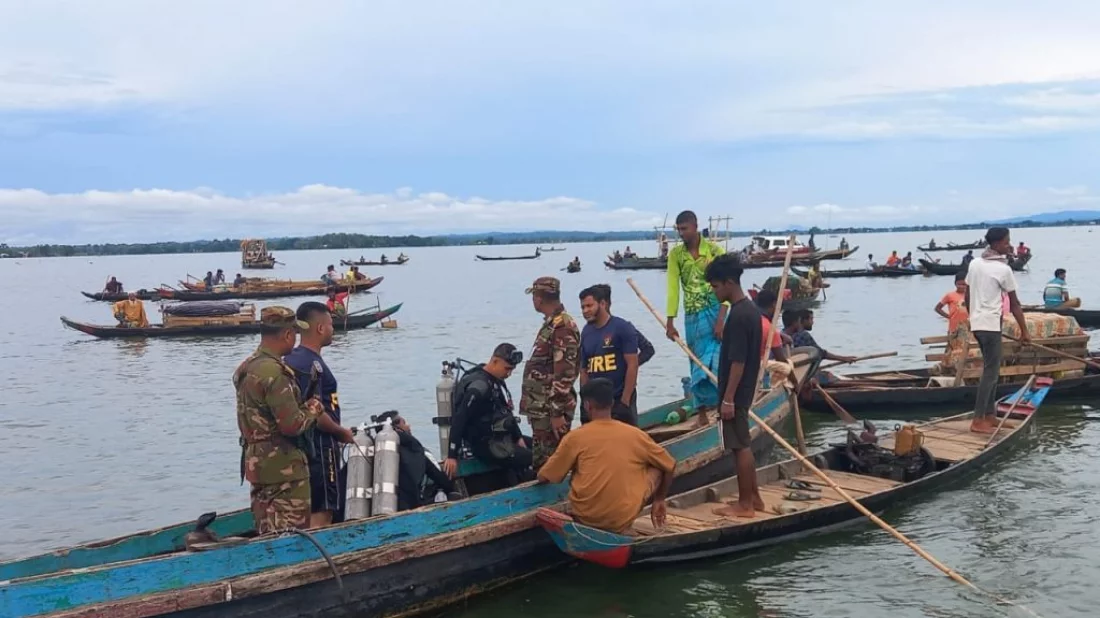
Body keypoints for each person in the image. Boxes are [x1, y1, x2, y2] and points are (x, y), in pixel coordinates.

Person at [537, 378, 675, 533]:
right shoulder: (635, 434)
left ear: (587, 406)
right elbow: (670, 465)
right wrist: (659, 499)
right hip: (621, 519)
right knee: (657, 467)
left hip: (585, 518)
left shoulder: (574, 438)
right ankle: (626, 521)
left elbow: (544, 477)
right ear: (612, 404)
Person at [233, 306, 326, 533]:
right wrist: (313, 408)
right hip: (284, 469)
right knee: (290, 538)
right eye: (294, 333)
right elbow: (292, 425)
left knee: (267, 532)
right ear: (286, 335)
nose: (295, 338)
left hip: (257, 464)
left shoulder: (247, 367)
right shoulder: (276, 374)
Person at [284, 302, 357, 528]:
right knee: (322, 510)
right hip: (321, 447)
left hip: (300, 448)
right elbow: (314, 409)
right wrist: (339, 432)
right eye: (331, 324)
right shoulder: (311, 364)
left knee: (306, 508)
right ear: (320, 329)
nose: (333, 329)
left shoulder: (291, 360)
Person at [702, 255, 763, 518]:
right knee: (742, 441)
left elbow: (737, 362)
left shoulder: (739, 316)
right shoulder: (750, 310)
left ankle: (745, 504)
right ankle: (756, 498)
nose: (714, 292)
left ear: (728, 283)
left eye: (715, 287)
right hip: (744, 389)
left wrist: (728, 399)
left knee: (740, 445)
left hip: (736, 392)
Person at [965, 227, 1030, 435]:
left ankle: (990, 415)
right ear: (997, 244)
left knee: (992, 369)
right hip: (990, 325)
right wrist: (1025, 332)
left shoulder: (975, 263)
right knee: (990, 373)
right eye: (1006, 242)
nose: (1009, 245)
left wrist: (972, 316)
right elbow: (1015, 304)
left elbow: (967, 296)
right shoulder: (1004, 270)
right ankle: (977, 420)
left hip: (978, 323)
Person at [666, 210, 726, 423]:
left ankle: (722, 406)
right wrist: (670, 320)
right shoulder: (676, 255)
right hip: (693, 316)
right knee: (697, 363)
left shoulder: (713, 250)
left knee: (719, 360)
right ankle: (701, 412)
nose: (682, 233)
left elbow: (728, 285)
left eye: (685, 229)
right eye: (679, 229)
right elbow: (673, 288)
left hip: (715, 310)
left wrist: (721, 318)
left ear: (695, 226)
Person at [445, 343, 533, 485]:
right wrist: (452, 455)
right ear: (495, 361)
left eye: (512, 370)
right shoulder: (479, 387)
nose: (509, 374)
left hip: (501, 437)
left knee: (541, 447)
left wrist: (518, 437)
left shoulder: (495, 381)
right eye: (507, 369)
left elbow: (506, 412)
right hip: (485, 445)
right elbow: (459, 419)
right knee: (533, 457)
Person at [521, 277, 580, 470]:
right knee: (542, 460)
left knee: (550, 463)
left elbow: (565, 373)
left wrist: (556, 412)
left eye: (534, 296)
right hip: (541, 407)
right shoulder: (552, 324)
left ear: (539, 298)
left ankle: (557, 498)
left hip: (550, 410)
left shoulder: (562, 326)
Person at [578, 285, 640, 425]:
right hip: (595, 403)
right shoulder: (586, 332)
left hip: (619, 398)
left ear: (603, 304)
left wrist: (625, 401)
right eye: (583, 307)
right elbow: (583, 370)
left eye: (589, 306)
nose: (585, 311)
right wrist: (584, 401)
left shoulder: (622, 327)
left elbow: (632, 365)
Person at [375, 411, 460, 511]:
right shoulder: (415, 451)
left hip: (381, 509)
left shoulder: (376, 453)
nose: (408, 425)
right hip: (412, 508)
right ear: (397, 428)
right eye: (404, 423)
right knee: (455, 497)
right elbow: (442, 480)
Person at [783, 309, 856, 364]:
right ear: (802, 321)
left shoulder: (783, 334)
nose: (813, 322)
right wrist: (844, 358)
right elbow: (820, 353)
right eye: (811, 319)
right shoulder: (802, 335)